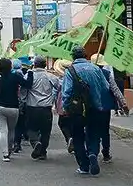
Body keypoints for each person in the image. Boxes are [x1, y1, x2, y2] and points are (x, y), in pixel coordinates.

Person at [61, 46, 108, 176]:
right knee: (93, 134)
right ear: (85, 55)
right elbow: (105, 87)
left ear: (73, 57)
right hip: (95, 107)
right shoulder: (96, 69)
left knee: (77, 137)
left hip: (76, 110)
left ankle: (84, 166)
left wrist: (65, 108)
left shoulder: (70, 70)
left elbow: (67, 92)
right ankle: (92, 153)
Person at [0, 58, 30, 162]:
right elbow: (27, 84)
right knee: (11, 130)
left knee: (3, 130)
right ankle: (10, 149)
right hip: (13, 107)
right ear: (10, 66)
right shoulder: (15, 77)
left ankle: (5, 153)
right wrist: (31, 73)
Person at [92, 53, 128, 163]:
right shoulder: (107, 74)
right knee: (104, 131)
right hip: (105, 107)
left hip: (92, 107)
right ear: (102, 65)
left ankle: (93, 151)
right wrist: (124, 103)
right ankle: (106, 153)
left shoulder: (89, 74)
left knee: (93, 130)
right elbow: (115, 90)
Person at [24, 56, 62, 160]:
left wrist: (23, 99)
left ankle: (35, 142)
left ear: (34, 65)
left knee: (31, 129)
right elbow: (59, 86)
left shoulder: (28, 75)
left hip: (32, 107)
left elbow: (24, 89)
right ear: (45, 65)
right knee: (46, 131)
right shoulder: (50, 76)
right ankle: (43, 151)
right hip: (46, 108)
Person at [52, 59, 75, 152]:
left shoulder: (59, 81)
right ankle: (72, 139)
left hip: (62, 104)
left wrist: (52, 104)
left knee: (62, 123)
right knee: (71, 122)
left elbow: (54, 93)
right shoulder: (74, 79)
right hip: (73, 104)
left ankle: (69, 138)